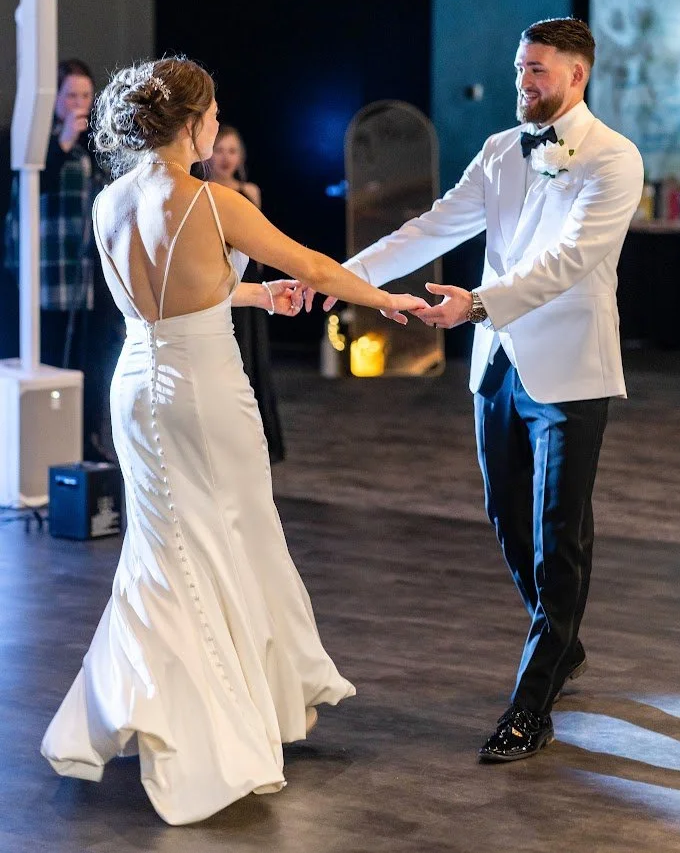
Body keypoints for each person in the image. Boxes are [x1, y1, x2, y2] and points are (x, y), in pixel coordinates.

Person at [39, 56, 428, 825]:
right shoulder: (212, 202)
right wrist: (385, 299)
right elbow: (313, 262)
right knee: (223, 543)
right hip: (204, 393)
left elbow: (165, 292)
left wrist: (253, 292)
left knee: (163, 549)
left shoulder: (110, 198)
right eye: (212, 115)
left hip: (135, 385)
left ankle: (159, 702)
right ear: (191, 123)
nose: (217, 127)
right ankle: (214, 724)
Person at [308, 18, 644, 762]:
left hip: (568, 371)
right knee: (506, 516)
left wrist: (479, 303)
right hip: (496, 368)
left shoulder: (613, 159)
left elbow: (568, 262)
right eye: (519, 69)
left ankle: (531, 705)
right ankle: (562, 643)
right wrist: (344, 276)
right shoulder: (499, 150)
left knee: (560, 533)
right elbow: (432, 226)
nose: (522, 83)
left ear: (575, 76)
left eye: (537, 72)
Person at [3, 58, 116, 461]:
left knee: (93, 360)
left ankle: (88, 438)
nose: (79, 104)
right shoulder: (33, 142)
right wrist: (65, 138)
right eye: (71, 95)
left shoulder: (96, 143)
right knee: (48, 354)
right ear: (54, 100)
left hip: (88, 274)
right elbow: (31, 189)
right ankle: (44, 447)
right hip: (45, 273)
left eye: (86, 96)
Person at [206, 124, 286, 463]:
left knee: (252, 358)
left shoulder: (249, 192)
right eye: (220, 149)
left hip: (250, 280)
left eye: (232, 151)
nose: (225, 158)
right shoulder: (201, 191)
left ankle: (258, 442)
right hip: (218, 282)